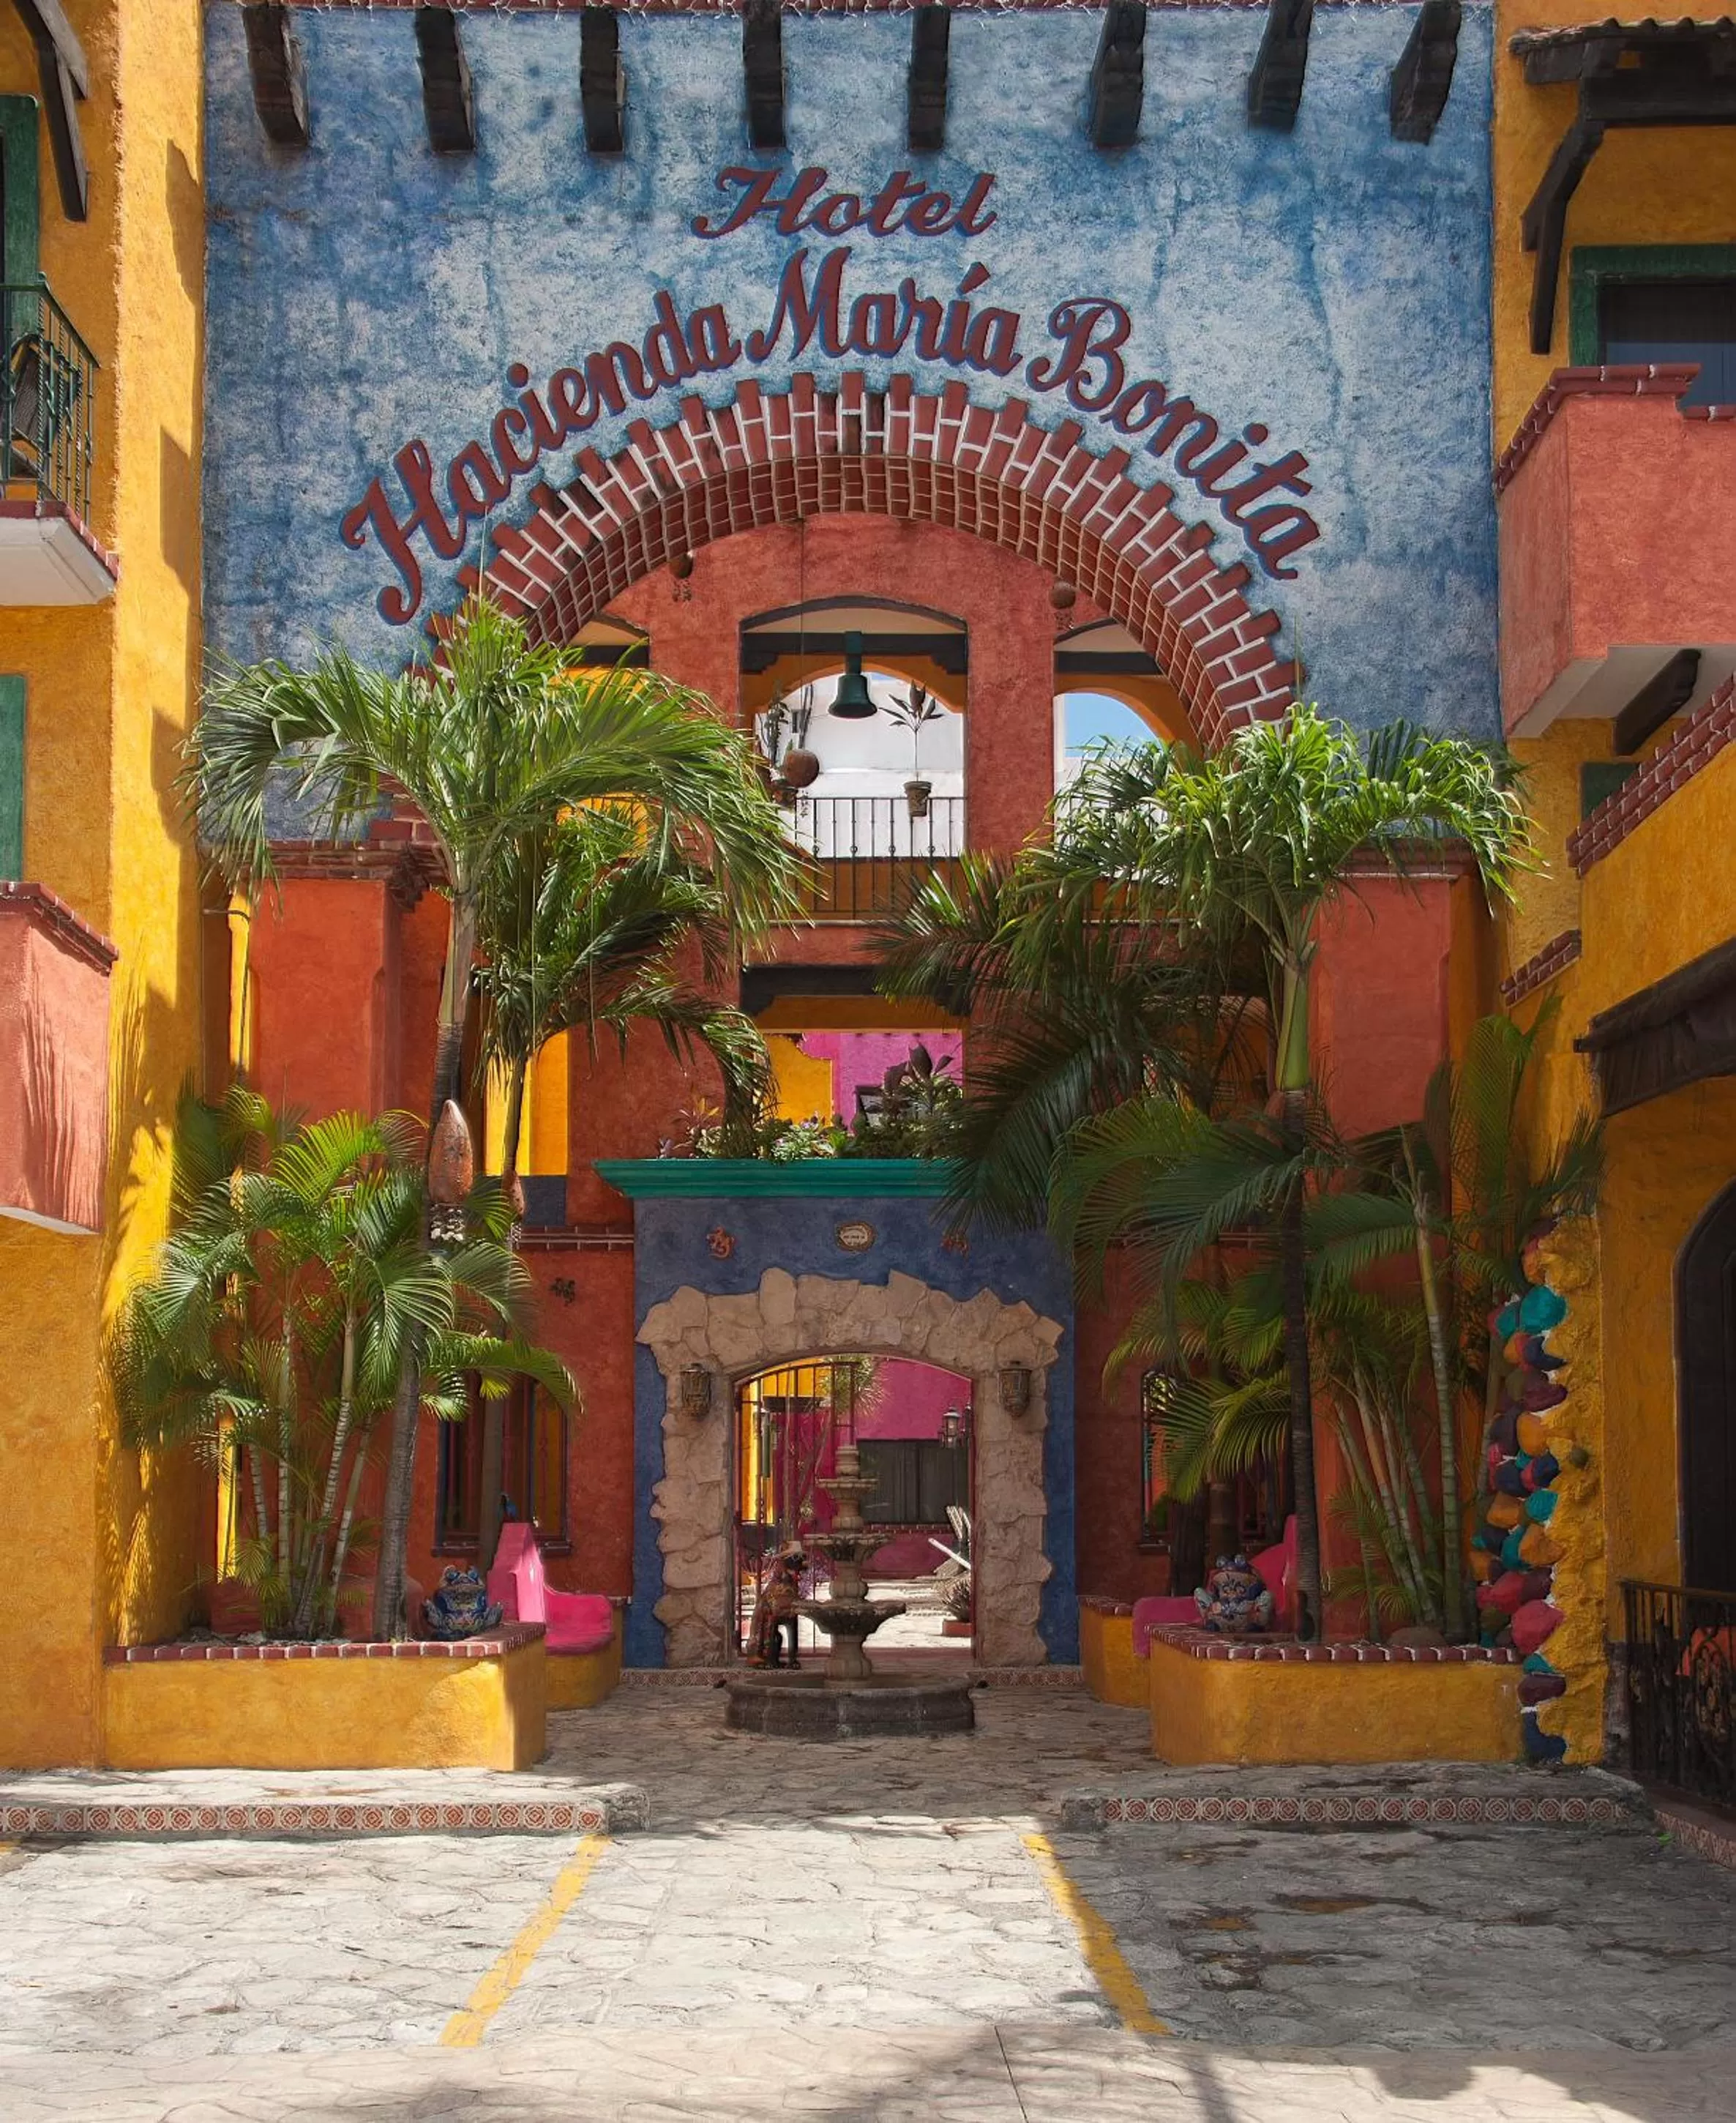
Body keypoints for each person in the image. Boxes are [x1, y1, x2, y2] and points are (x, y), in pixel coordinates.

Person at [749, 1541, 805, 1668]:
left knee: (790, 1628)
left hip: (784, 1606)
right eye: (795, 1558)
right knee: (770, 1628)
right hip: (772, 1609)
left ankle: (792, 1659)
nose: (798, 1562)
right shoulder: (779, 1579)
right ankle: (765, 1657)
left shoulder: (791, 1579)